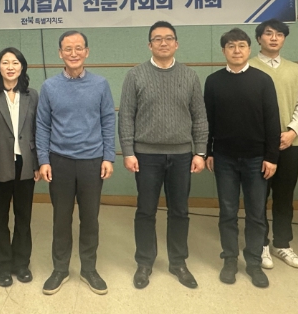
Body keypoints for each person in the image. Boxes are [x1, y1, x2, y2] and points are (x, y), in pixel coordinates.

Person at [118, 21, 208, 290]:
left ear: (176, 44)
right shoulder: (135, 75)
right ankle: (144, 262)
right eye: (157, 39)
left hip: (182, 155)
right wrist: (128, 151)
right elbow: (126, 117)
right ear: (150, 45)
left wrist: (200, 152)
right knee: (146, 211)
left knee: (179, 211)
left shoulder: (190, 76)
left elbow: (200, 117)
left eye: (169, 38)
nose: (163, 43)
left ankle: (178, 262)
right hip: (146, 156)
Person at [36, 31, 116, 296]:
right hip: (60, 162)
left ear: (87, 52)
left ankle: (88, 269)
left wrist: (108, 156)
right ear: (60, 53)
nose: (73, 53)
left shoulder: (100, 84)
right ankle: (60, 269)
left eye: (78, 48)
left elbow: (108, 120)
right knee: (61, 219)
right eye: (68, 49)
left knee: (90, 219)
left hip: (92, 162)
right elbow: (42, 126)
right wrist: (44, 160)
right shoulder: (49, 87)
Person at [204, 28, 280, 288]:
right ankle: (229, 259)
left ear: (249, 49)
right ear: (223, 51)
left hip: (256, 159)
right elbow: (208, 121)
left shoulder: (263, 80)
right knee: (227, 212)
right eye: (231, 46)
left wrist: (272, 157)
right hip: (223, 158)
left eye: (241, 46)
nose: (236, 51)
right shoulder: (213, 81)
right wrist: (208, 151)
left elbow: (272, 121)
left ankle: (254, 263)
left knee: (256, 213)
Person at [249, 19, 298, 269]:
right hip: (258, 146)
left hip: (288, 144)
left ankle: (282, 244)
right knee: (258, 197)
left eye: (279, 34)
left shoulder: (295, 69)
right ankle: (261, 244)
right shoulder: (247, 67)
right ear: (259, 38)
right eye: (268, 33)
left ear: (284, 39)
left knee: (284, 196)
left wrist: (292, 131)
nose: (274, 38)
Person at [0, 47, 40, 287]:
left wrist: (38, 164)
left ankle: (21, 264)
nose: (10, 67)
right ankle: (3, 265)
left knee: (23, 217)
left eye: (15, 62)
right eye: (5, 62)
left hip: (26, 164)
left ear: (22, 67)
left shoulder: (32, 95)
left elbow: (37, 131)